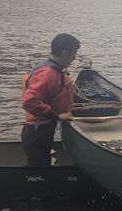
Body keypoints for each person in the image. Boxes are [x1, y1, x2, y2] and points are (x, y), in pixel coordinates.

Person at [21, 33, 81, 166]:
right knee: (39, 174)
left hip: (43, 130)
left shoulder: (55, 69)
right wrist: (58, 116)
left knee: (43, 167)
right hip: (37, 134)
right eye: (73, 53)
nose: (74, 58)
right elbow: (29, 101)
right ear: (65, 52)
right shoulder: (48, 73)